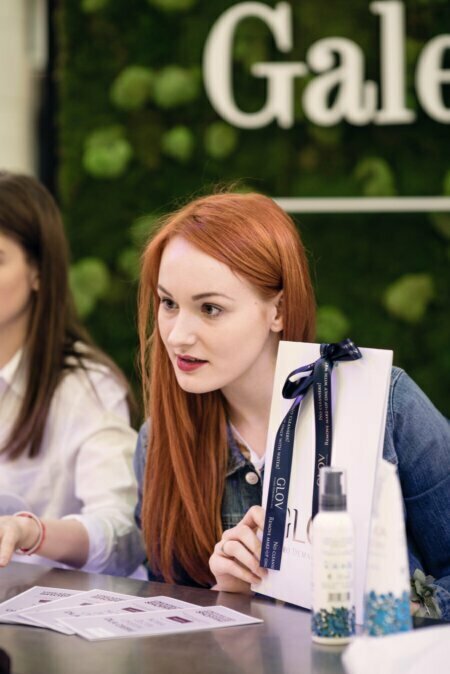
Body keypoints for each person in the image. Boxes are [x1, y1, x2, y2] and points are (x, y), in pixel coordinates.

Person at [134, 190, 450, 619]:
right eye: (168, 303)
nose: (177, 335)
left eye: (210, 308)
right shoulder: (159, 439)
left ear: (277, 310)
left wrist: (385, 608)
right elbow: (164, 608)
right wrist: (227, 592)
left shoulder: (385, 404)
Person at [0, 171, 144, 575]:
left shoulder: (86, 388)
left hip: (47, 625)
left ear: (38, 273)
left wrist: (31, 533)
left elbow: (123, 536)